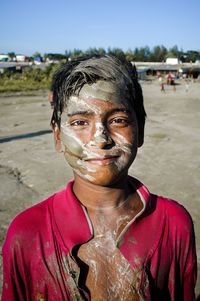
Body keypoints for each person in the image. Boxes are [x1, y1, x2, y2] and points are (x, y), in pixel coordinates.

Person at [1, 55, 197, 301]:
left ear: (141, 130)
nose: (101, 139)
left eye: (118, 120)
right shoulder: (27, 234)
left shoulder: (174, 224)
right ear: (58, 135)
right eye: (80, 122)